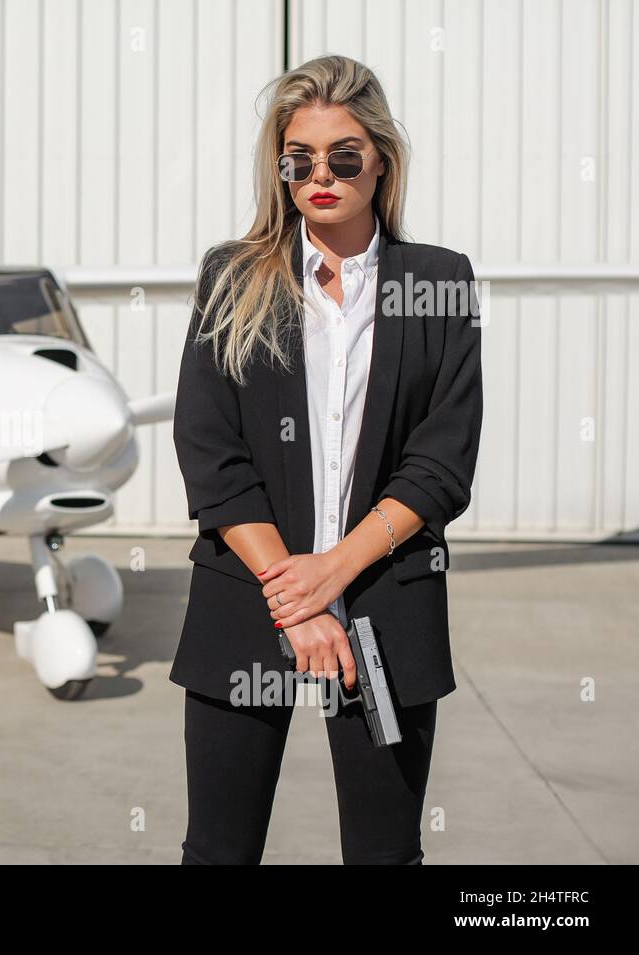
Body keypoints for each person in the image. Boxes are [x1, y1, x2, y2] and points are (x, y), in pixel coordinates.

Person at [171, 54, 482, 863]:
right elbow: (209, 450)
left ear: (381, 160)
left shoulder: (439, 282)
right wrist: (296, 600)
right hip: (250, 596)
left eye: (344, 156)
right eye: (298, 159)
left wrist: (333, 572)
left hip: (387, 602)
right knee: (217, 853)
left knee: (386, 856)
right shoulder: (232, 277)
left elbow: (442, 461)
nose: (320, 176)